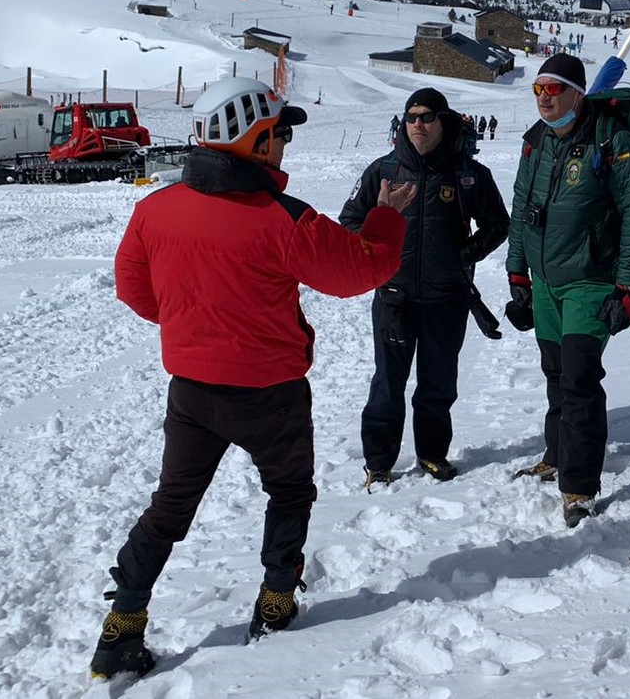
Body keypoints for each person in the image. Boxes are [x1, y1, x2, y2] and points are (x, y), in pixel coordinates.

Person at [91, 78, 415, 678]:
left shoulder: (153, 209)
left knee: (170, 506)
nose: (286, 144)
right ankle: (275, 601)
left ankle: (122, 627)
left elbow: (136, 291)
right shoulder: (284, 219)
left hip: (192, 389)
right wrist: (386, 218)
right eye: (281, 132)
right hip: (271, 393)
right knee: (289, 493)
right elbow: (361, 271)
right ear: (256, 140)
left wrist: (197, 324)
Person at [506, 53, 630, 528]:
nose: (544, 98)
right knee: (555, 372)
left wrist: (627, 285)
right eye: (538, 90)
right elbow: (520, 207)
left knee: (579, 379)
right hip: (546, 282)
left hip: (592, 281)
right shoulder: (537, 142)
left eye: (553, 89)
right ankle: (556, 454)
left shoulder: (613, 141)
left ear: (576, 92)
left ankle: (580, 485)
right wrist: (517, 274)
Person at [340, 88, 510, 488]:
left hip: (446, 298)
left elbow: (498, 224)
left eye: (427, 116)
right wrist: (377, 237)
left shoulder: (468, 175)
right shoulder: (383, 171)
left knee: (437, 384)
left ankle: (432, 454)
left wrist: (463, 255)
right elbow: (350, 221)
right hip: (394, 298)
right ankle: (379, 461)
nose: (418, 123)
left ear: (442, 122)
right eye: (411, 116)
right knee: (387, 383)